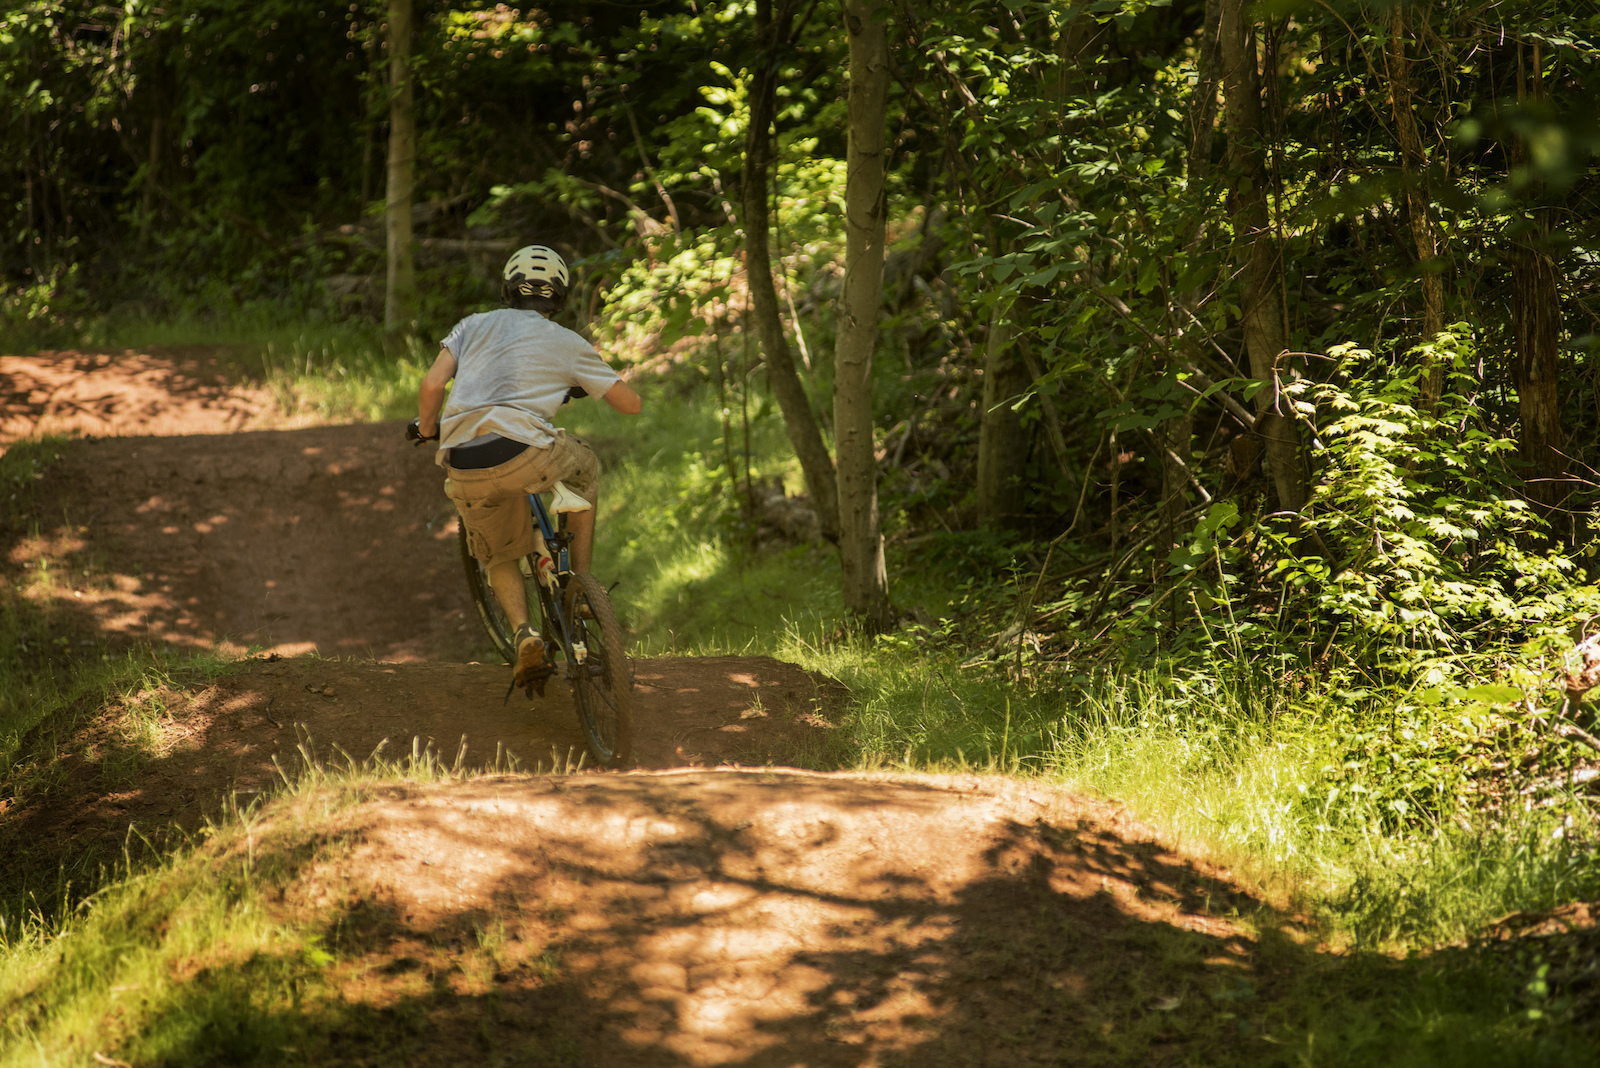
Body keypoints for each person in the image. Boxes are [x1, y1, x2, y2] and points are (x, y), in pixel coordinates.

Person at [411, 244, 642, 696]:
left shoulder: (471, 326)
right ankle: (579, 588)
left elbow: (433, 382)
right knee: (586, 466)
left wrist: (425, 428)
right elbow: (630, 405)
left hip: (465, 460)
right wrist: (580, 378)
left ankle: (524, 634)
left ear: (507, 291)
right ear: (559, 298)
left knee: (498, 553)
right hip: (527, 454)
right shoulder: (568, 342)